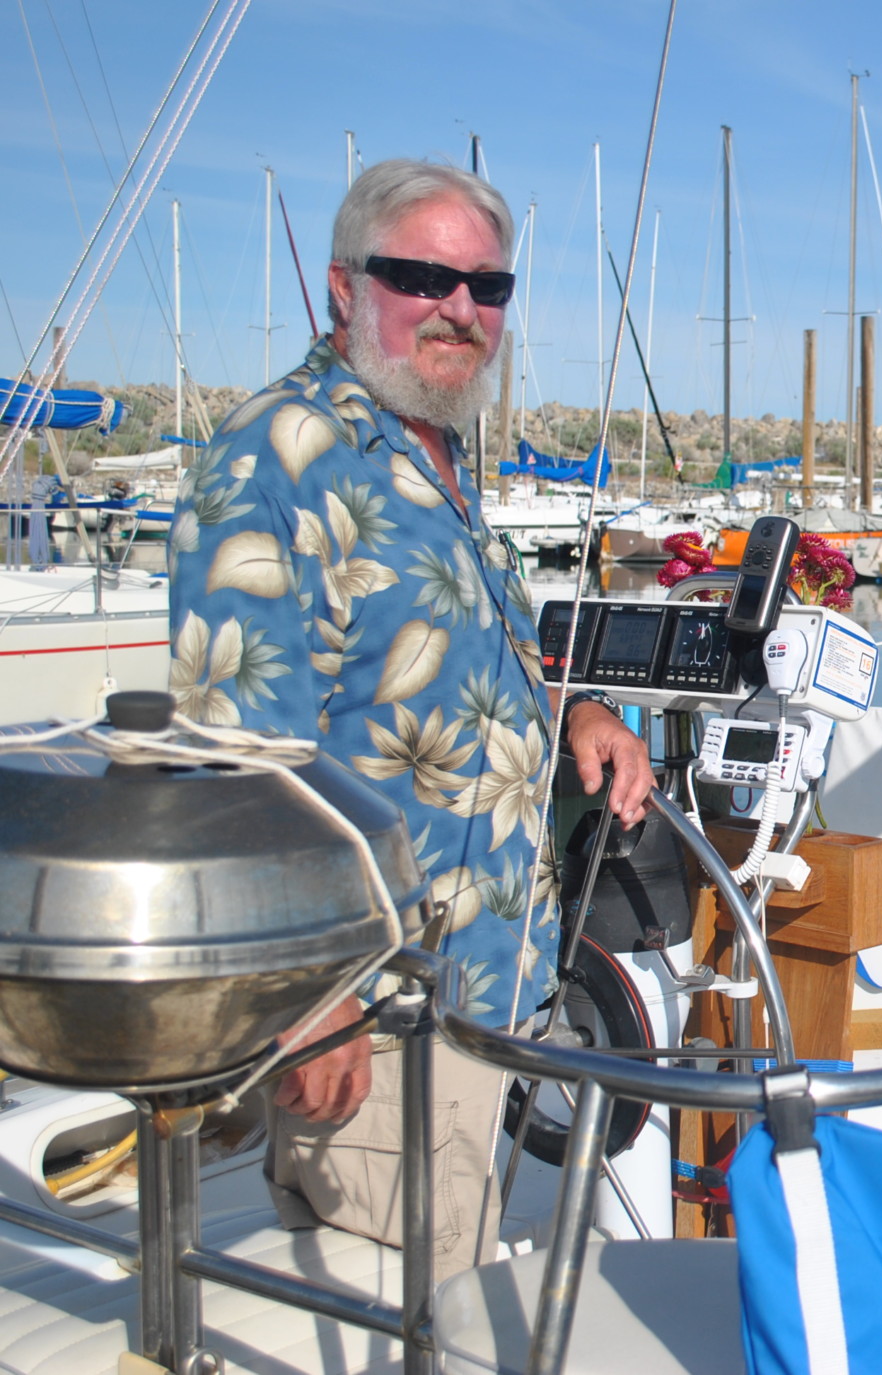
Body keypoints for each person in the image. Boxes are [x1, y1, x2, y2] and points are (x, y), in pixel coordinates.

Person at [167, 158, 653, 1279]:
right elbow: (236, 764)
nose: (459, 309)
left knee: (450, 1287)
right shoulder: (277, 459)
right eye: (422, 276)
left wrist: (571, 709)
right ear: (342, 289)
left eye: (487, 288)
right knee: (408, 1320)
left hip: (480, 991)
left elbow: (436, 663)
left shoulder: (429, 446)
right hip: (380, 1017)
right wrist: (313, 1002)